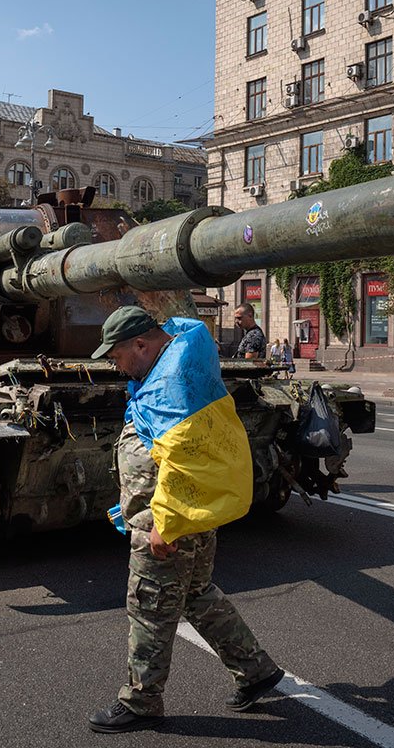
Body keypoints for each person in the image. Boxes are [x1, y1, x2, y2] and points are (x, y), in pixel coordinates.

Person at [87, 306, 284, 734]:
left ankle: (141, 701)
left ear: (141, 343)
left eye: (116, 355)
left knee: (150, 606)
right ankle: (255, 671)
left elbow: (184, 462)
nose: (115, 366)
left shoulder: (170, 386)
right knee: (195, 593)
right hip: (187, 511)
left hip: (172, 519)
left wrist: (165, 523)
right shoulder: (175, 358)